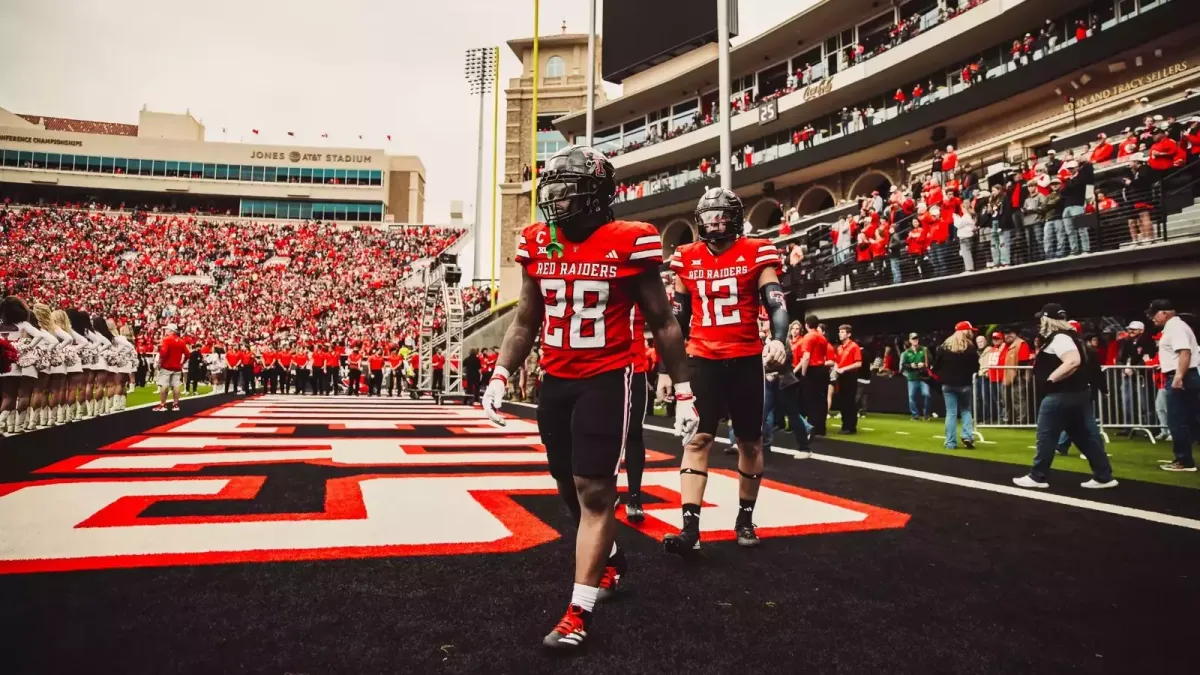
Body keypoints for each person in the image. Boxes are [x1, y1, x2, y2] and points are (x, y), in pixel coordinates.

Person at [479, 145, 697, 651]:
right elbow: (526, 318)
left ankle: (579, 611)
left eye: (566, 190)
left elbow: (663, 321)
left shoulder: (631, 241)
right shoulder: (538, 241)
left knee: (594, 491)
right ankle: (612, 559)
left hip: (608, 376)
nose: (554, 200)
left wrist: (683, 389)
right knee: (567, 489)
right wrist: (500, 373)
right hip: (555, 380)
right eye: (549, 190)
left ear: (597, 194)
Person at [664, 186, 789, 555]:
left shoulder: (757, 252)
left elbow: (776, 302)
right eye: (708, 217)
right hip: (702, 358)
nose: (714, 223)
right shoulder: (686, 257)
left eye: (721, 217)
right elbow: (677, 319)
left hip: (746, 357)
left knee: (750, 442)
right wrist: (666, 369)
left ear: (735, 220)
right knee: (697, 439)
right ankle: (690, 528)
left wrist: (779, 338)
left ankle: (745, 517)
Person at [1014, 303, 1117, 489]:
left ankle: (1038, 476)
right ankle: (1104, 475)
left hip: (1060, 394)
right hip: (1077, 394)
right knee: (1085, 437)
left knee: (1046, 436)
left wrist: (1050, 380)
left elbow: (1073, 361)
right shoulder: (1073, 338)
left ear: (1047, 319)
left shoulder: (1060, 338)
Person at [1147, 299, 1200, 472]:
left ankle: (1184, 461)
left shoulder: (1176, 328)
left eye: (1153, 314)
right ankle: (1184, 458)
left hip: (1182, 376)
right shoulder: (1175, 327)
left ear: (1164, 313)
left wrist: (1178, 377)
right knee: (1190, 419)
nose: (1151, 318)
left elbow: (1185, 352)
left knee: (1177, 420)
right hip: (1185, 375)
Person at [934, 322, 979, 449]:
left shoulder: (944, 347)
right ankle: (967, 436)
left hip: (948, 384)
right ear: (966, 331)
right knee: (966, 410)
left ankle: (950, 442)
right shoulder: (970, 348)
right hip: (965, 384)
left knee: (951, 413)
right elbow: (976, 366)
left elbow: (936, 366)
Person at [796, 315, 832, 435]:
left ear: (806, 324)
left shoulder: (808, 337)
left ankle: (812, 429)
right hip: (822, 369)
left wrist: (803, 374)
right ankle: (821, 429)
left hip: (812, 370)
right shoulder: (822, 337)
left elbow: (806, 357)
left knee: (811, 401)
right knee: (821, 401)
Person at [833, 325, 862, 434]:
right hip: (841, 376)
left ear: (849, 334)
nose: (840, 333)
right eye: (839, 331)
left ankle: (851, 427)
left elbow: (858, 363)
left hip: (850, 376)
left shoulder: (854, 346)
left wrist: (844, 369)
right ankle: (845, 425)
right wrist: (836, 370)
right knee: (843, 402)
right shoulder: (839, 348)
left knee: (850, 402)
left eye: (843, 332)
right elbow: (837, 361)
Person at [154, 324, 189, 412]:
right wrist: (182, 363)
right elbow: (188, 354)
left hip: (166, 366)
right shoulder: (181, 341)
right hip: (177, 366)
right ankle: (175, 404)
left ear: (171, 330)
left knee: (164, 385)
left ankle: (163, 404)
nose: (166, 331)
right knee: (176, 386)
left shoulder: (166, 339)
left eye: (167, 330)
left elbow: (164, 353)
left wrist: (159, 362)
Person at [901, 333, 933, 420]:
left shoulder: (924, 349)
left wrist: (923, 364)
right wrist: (911, 365)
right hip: (912, 377)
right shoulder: (907, 353)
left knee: (927, 395)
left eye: (916, 338)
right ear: (910, 340)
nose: (915, 340)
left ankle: (926, 414)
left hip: (923, 377)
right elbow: (904, 364)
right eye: (913, 339)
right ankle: (915, 415)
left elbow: (930, 360)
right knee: (911, 397)